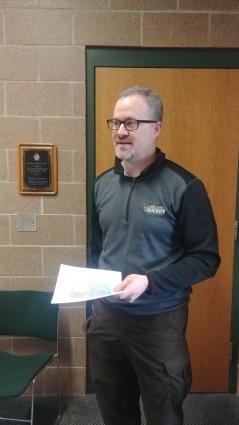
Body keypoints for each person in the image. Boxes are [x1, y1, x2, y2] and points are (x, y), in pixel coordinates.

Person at [86, 86, 221, 425]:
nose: (120, 131)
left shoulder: (185, 186)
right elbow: (97, 250)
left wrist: (151, 282)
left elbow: (205, 259)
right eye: (115, 122)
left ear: (156, 127)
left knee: (164, 411)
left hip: (159, 322)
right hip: (106, 318)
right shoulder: (102, 185)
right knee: (113, 407)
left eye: (131, 123)